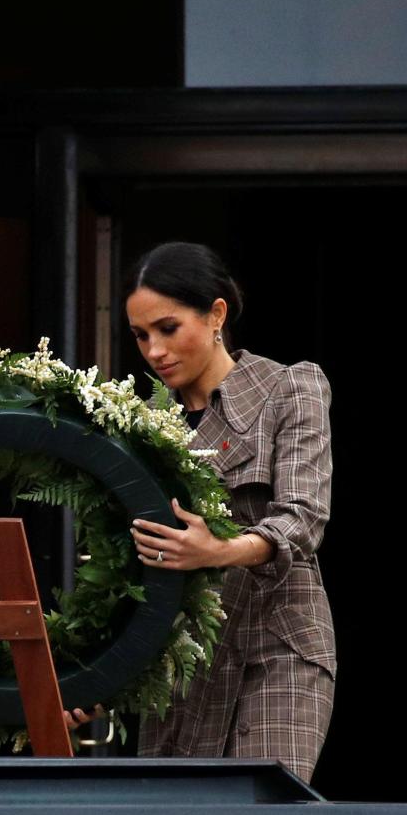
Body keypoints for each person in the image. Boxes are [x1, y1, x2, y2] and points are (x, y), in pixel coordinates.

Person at [123, 241, 335, 783]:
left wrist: (218, 551)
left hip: (276, 648)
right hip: (181, 667)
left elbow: (304, 518)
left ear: (216, 314)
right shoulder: (141, 425)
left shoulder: (289, 389)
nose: (154, 351)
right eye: (142, 335)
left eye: (168, 329)